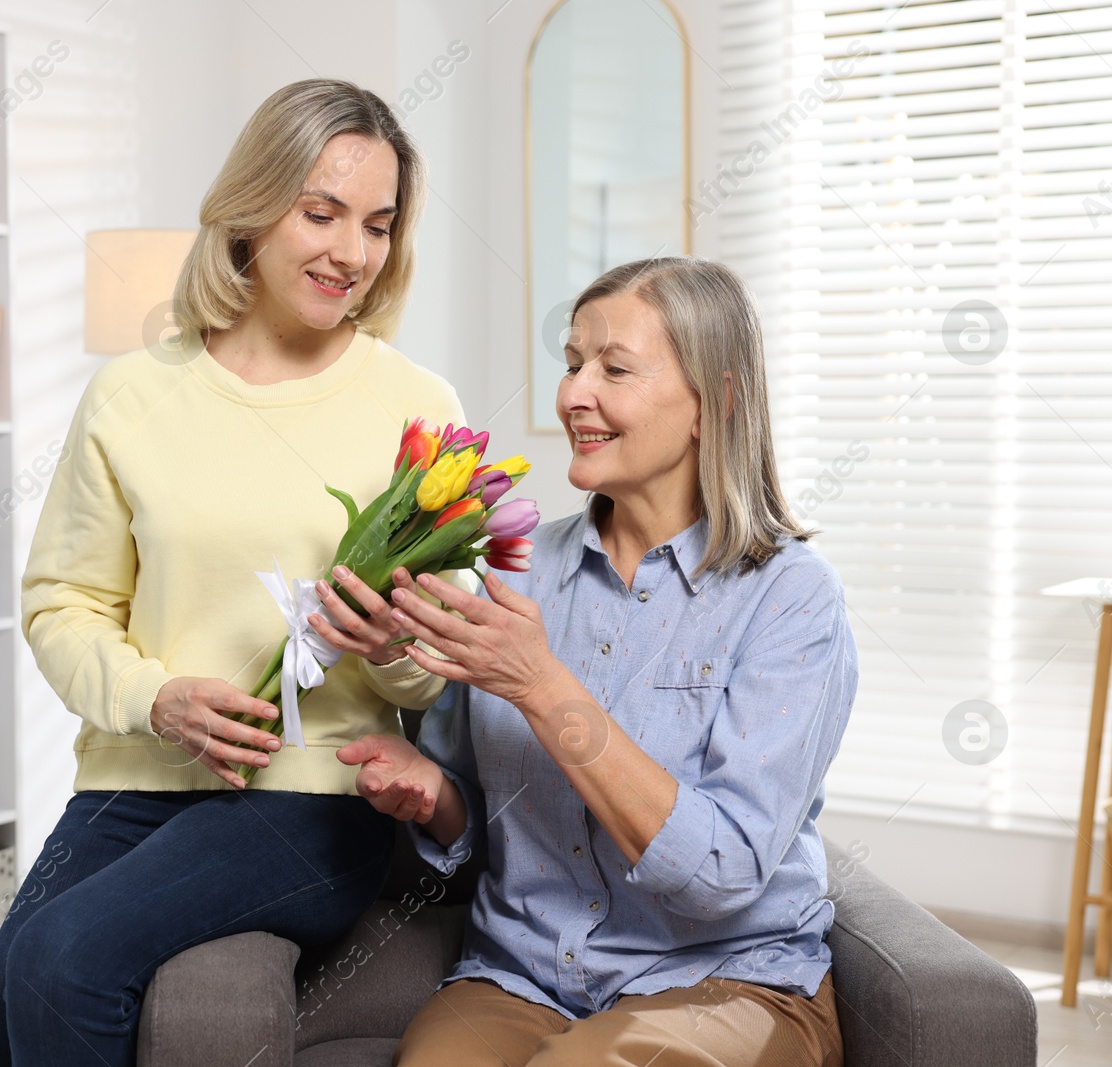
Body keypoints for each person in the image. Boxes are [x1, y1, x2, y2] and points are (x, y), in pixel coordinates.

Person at [0, 78, 469, 1066]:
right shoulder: (134, 393)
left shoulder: (415, 403)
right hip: (132, 781)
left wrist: (395, 643)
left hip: (313, 798)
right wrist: (156, 698)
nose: (351, 252)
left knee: (62, 958)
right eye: (320, 212)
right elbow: (63, 602)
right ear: (252, 206)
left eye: (376, 224)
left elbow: (438, 664)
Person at [338, 257, 857, 1066]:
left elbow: (725, 869)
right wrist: (432, 792)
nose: (575, 392)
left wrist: (543, 686)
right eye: (574, 362)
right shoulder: (513, 570)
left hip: (723, 980)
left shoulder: (790, 598)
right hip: (521, 978)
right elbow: (476, 817)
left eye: (614, 368)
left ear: (712, 403)